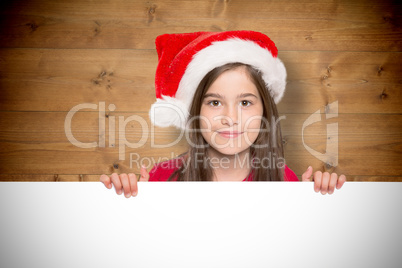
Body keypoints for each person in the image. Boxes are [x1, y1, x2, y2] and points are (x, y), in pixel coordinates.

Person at [100, 31, 346, 197]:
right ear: (194, 112)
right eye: (215, 102)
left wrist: (312, 206)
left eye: (246, 103)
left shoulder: (285, 181)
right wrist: (130, 204)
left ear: (265, 113)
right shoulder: (162, 178)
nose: (231, 117)